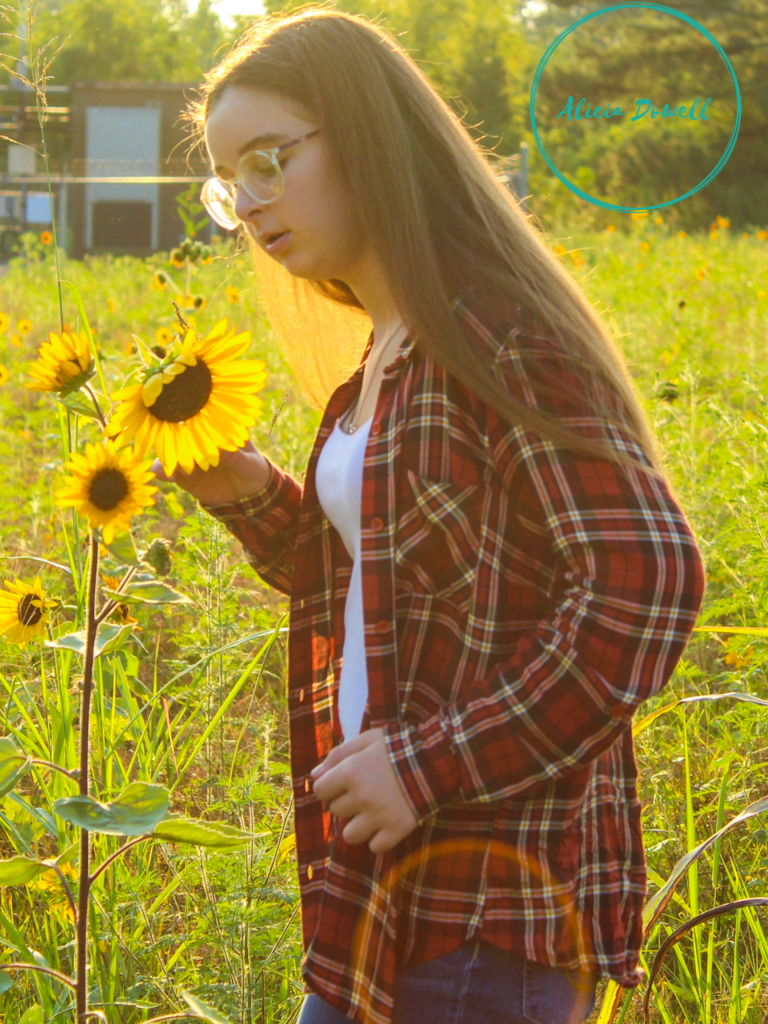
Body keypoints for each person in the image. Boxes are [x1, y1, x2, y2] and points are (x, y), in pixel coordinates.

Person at [159, 9, 706, 1024]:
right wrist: (247, 494)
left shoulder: (492, 333)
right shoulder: (384, 355)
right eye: (233, 183)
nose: (251, 203)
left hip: (489, 909)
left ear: (369, 133)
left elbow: (645, 585)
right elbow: (386, 586)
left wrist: (426, 762)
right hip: (389, 898)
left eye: (272, 159)